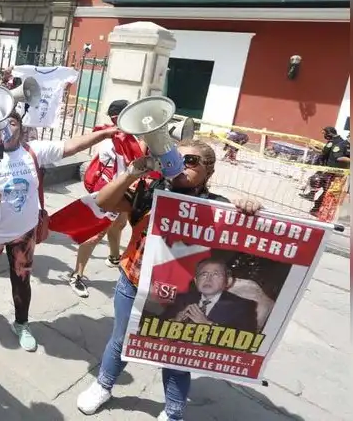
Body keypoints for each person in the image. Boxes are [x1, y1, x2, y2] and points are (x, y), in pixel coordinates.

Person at [76, 141, 262, 420]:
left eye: (191, 160)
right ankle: (103, 385)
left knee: (175, 354)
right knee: (121, 340)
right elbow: (103, 202)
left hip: (182, 295)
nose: (181, 164)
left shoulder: (220, 209)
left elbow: (257, 238)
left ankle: (174, 412)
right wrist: (132, 172)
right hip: (134, 283)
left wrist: (248, 207)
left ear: (209, 171)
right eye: (175, 157)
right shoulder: (149, 192)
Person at [0, 112, 116, 351]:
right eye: (1, 123)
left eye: (12, 122)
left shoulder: (33, 151)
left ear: (20, 127)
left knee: (22, 278)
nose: (7, 127)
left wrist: (103, 134)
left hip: (24, 232)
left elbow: (70, 146)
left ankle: (21, 323)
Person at [68, 99, 146, 298]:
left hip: (122, 189)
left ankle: (113, 257)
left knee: (119, 224)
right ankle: (76, 275)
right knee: (95, 233)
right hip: (109, 191)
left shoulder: (125, 135)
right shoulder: (112, 137)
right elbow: (129, 160)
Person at [161, 257, 260, 333]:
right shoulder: (181, 299)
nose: (208, 279)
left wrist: (207, 324)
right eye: (204, 274)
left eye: (216, 274)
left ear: (228, 281)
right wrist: (173, 322)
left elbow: (244, 341)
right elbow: (155, 327)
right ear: (196, 281)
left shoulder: (243, 306)